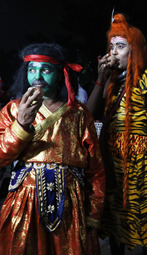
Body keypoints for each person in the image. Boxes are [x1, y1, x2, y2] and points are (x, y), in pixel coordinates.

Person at [0, 43, 106, 254]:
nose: (37, 76)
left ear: (60, 74)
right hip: (25, 202)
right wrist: (20, 125)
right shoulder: (12, 109)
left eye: (45, 70)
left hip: (71, 204)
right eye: (32, 69)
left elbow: (95, 169)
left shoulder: (79, 114)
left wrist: (94, 212)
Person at [87, 13, 147, 255]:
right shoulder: (111, 80)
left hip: (142, 165)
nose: (113, 52)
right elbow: (90, 115)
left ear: (134, 50)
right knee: (115, 223)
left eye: (121, 46)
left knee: (143, 223)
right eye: (111, 46)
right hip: (112, 164)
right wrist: (100, 80)